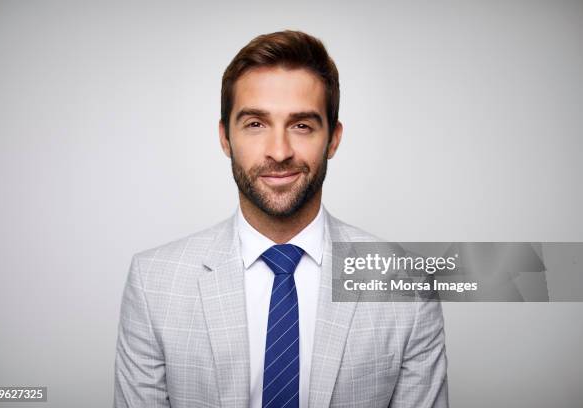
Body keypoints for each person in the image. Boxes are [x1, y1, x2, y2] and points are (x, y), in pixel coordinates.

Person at [114, 30, 448, 408]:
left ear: (333, 140)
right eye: (255, 123)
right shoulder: (153, 283)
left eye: (302, 125)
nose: (279, 151)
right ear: (225, 138)